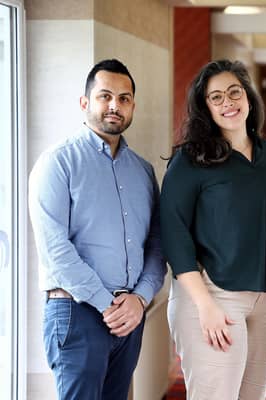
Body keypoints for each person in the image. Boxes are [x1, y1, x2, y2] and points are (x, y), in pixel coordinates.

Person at [160, 59, 266, 400]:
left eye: (234, 92)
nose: (228, 102)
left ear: (249, 98)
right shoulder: (191, 159)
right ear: (205, 107)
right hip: (214, 296)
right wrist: (204, 306)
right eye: (216, 97)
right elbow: (174, 234)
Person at [28, 59, 166, 400]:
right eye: (105, 96)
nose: (114, 106)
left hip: (129, 315)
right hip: (78, 313)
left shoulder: (143, 171)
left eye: (124, 98)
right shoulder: (58, 162)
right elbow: (55, 249)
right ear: (85, 102)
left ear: (133, 105)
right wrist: (110, 304)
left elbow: (157, 243)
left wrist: (140, 298)